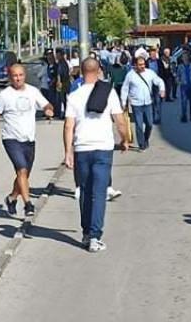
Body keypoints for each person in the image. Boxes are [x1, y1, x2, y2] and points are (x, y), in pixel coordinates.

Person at [63, 58, 131, 253]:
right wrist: (125, 139)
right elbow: (119, 120)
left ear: (81, 72)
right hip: (103, 148)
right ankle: (95, 237)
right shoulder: (109, 93)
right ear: (99, 70)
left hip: (81, 149)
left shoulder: (74, 96)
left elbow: (69, 126)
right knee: (99, 192)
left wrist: (68, 152)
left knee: (84, 191)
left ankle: (85, 233)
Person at [0, 64, 54, 218]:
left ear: (24, 75)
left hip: (29, 139)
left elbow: (46, 104)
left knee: (24, 174)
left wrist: (48, 109)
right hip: (11, 138)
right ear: (10, 77)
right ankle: (28, 204)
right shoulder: (4, 95)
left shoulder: (33, 91)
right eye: (14, 76)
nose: (18, 78)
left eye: (20, 75)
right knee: (22, 170)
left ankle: (12, 198)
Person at [121, 56, 165, 151]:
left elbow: (159, 80)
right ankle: (141, 144)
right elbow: (124, 89)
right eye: (140, 64)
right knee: (139, 125)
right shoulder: (130, 75)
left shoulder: (150, 73)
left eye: (144, 64)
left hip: (148, 103)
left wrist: (162, 89)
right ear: (135, 65)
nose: (142, 66)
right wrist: (123, 102)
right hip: (136, 104)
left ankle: (146, 139)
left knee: (149, 124)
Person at [176, 51, 191, 123]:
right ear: (182, 58)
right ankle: (184, 116)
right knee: (184, 102)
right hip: (184, 85)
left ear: (188, 57)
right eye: (183, 57)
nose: (185, 58)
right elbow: (178, 75)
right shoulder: (180, 66)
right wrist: (178, 81)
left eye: (186, 57)